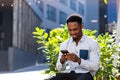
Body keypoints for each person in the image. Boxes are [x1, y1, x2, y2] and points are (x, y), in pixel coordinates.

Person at [48, 14, 100, 80]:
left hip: (86, 74)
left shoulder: (92, 43)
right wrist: (62, 61)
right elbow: (60, 69)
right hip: (69, 73)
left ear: (82, 26)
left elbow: (95, 67)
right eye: (70, 30)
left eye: (75, 30)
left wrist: (78, 60)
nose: (72, 33)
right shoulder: (64, 45)